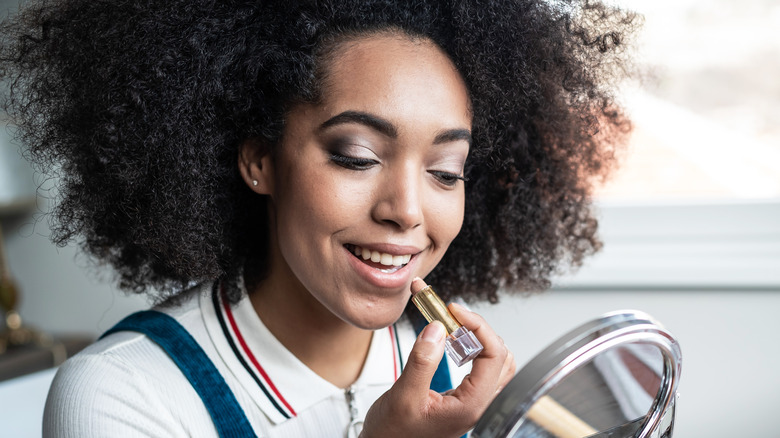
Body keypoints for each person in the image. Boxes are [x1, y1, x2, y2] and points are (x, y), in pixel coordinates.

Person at [0, 0, 637, 436]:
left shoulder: (449, 372)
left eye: (445, 171)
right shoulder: (120, 395)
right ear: (260, 161)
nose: (408, 211)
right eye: (356, 157)